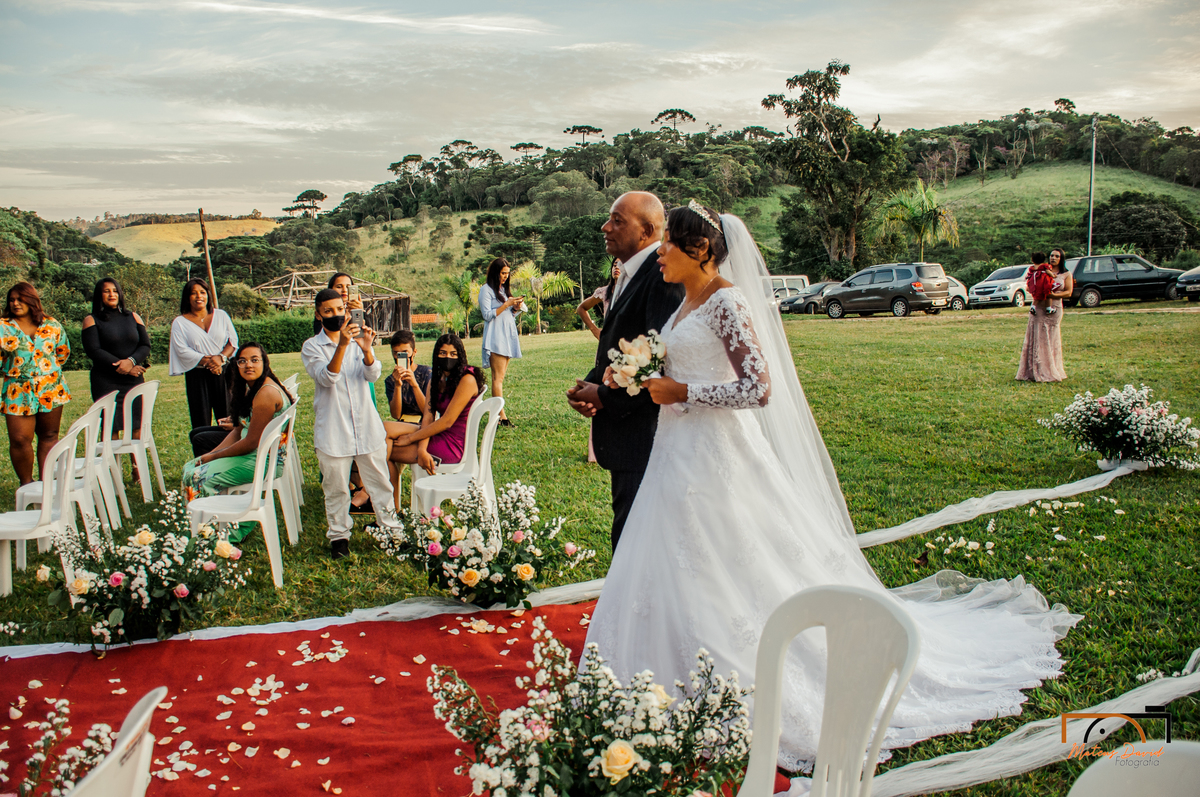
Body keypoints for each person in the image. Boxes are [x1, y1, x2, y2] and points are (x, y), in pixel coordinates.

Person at [584, 202, 1081, 774]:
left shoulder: (728, 301)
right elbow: (677, 367)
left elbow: (759, 388)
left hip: (716, 455)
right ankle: (659, 665)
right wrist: (641, 378)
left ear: (699, 251)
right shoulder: (686, 302)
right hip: (675, 453)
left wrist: (683, 394)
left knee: (734, 560)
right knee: (670, 559)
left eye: (668, 245)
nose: (661, 255)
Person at [565, 192, 684, 549]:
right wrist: (589, 384)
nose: (606, 227)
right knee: (629, 529)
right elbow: (620, 347)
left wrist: (602, 397)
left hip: (646, 436)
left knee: (634, 540)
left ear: (647, 230)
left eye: (618, 220)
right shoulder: (625, 272)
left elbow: (659, 360)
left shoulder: (662, 276)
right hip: (624, 431)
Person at [301, 287, 401, 559]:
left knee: (380, 484)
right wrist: (343, 345)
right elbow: (326, 378)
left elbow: (373, 374)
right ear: (318, 314)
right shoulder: (312, 346)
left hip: (366, 426)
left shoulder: (358, 339)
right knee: (335, 489)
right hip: (333, 430)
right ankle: (339, 537)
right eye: (328, 311)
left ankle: (391, 531)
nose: (336, 315)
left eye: (339, 309)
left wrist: (367, 351)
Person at [181, 342, 294, 543]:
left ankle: (215, 536)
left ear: (264, 363)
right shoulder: (252, 388)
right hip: (253, 455)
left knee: (198, 477)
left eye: (254, 360)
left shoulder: (266, 393)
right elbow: (239, 430)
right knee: (191, 466)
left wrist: (213, 457)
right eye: (242, 361)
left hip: (263, 461)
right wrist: (208, 455)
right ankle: (202, 525)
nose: (248, 365)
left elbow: (251, 442)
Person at [1, 282, 71, 485]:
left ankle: (47, 483)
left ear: (31, 300)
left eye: (20, 299)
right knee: (19, 439)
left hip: (50, 386)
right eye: (11, 300)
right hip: (17, 391)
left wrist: (43, 371)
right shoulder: (3, 327)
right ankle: (26, 484)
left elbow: (62, 353)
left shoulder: (52, 325)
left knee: (49, 435)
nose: (15, 303)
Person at [388, 332, 483, 480]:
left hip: (452, 444)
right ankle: (382, 498)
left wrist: (411, 438)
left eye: (453, 354)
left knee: (383, 449)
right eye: (443, 353)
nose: (448, 358)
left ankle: (372, 496)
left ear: (460, 356)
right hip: (435, 433)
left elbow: (447, 421)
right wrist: (421, 448)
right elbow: (428, 416)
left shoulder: (467, 379)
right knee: (384, 429)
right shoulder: (436, 380)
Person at [81, 278, 150, 477]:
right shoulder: (91, 319)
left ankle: (137, 471)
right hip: (106, 380)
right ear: (99, 296)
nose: (112, 294)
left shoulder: (134, 317)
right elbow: (93, 350)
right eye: (106, 291)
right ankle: (112, 473)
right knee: (111, 425)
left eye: (115, 291)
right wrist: (125, 367)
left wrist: (131, 361)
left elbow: (145, 345)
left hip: (133, 379)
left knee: (136, 424)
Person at [170, 278, 238, 452]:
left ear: (208, 295)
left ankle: (228, 455)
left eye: (202, 292)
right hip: (197, 375)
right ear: (187, 297)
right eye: (193, 293)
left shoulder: (221, 315)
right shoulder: (180, 322)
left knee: (228, 417)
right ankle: (203, 460)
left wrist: (221, 359)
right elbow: (181, 349)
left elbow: (233, 342)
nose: (198, 296)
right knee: (200, 419)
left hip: (223, 372)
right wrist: (209, 361)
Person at [381, 329, 432, 506]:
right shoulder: (390, 380)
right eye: (396, 354)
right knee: (384, 451)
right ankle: (395, 507)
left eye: (404, 353)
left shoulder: (426, 373)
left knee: (382, 433)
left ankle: (369, 491)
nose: (400, 357)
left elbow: (428, 410)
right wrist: (397, 385)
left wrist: (414, 384)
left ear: (414, 352)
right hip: (403, 423)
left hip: (425, 423)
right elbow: (396, 414)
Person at [478, 258, 524, 427]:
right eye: (503, 273)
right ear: (495, 273)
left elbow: (507, 315)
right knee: (497, 378)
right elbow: (487, 315)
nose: (505, 276)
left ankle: (497, 415)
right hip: (496, 337)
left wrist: (515, 308)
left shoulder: (503, 290)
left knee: (500, 378)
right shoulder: (486, 290)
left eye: (507, 273)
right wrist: (507, 304)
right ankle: (501, 417)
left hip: (507, 336)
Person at [1016, 247, 1072, 383]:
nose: (1053, 258)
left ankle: (1051, 369)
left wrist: (1053, 294)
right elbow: (1029, 286)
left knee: (1051, 338)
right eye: (1052, 256)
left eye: (1057, 256)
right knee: (1037, 336)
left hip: (1054, 306)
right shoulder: (1040, 270)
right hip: (1039, 306)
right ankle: (1034, 370)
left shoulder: (1066, 274)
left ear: (1061, 259)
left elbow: (1069, 292)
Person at [576, 260, 621, 341]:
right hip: (609, 342)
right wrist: (595, 330)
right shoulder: (604, 292)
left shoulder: (636, 291)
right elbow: (581, 308)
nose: (617, 267)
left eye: (621, 265)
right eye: (614, 265)